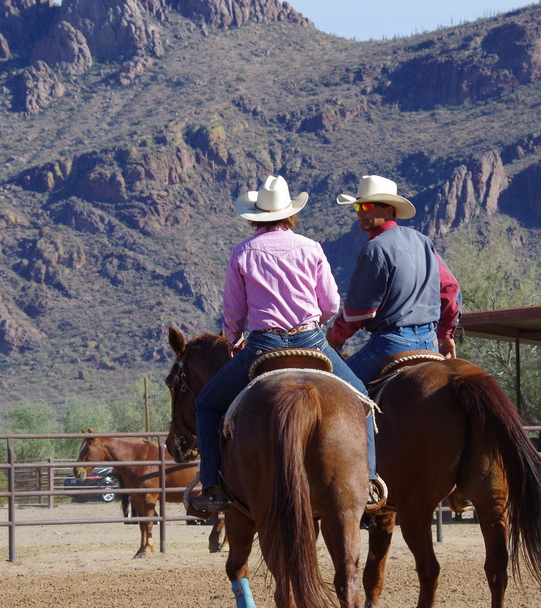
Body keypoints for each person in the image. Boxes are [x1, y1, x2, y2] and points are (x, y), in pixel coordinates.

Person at [190, 174, 377, 515]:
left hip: (264, 347)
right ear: (291, 213)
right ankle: (372, 481)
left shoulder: (242, 252)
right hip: (311, 341)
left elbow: (234, 311)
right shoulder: (311, 247)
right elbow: (331, 304)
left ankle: (212, 485)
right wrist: (315, 321)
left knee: (206, 405)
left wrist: (233, 340)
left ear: (255, 216)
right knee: (362, 398)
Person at [326, 174, 461, 384]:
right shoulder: (423, 241)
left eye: (368, 206)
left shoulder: (375, 249)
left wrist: (335, 338)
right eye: (357, 208)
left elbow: (359, 311)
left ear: (389, 210)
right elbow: (450, 289)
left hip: (391, 343)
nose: (360, 213)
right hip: (429, 342)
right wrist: (445, 334)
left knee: (335, 387)